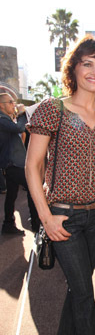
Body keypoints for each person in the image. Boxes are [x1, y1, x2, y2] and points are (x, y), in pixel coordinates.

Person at [25, 35, 95, 335]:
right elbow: (32, 165)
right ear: (74, 68)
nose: (94, 71)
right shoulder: (54, 108)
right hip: (63, 216)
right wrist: (46, 217)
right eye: (87, 63)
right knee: (83, 289)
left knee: (79, 285)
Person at [0, 93, 39, 234]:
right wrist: (23, 114)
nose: (14, 104)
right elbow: (19, 128)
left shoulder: (6, 119)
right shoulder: (2, 119)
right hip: (13, 164)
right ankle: (36, 223)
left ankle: (8, 224)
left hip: (10, 163)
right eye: (10, 102)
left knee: (11, 194)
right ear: (1, 105)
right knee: (32, 189)